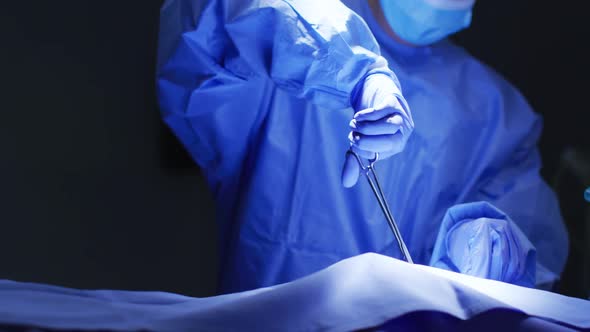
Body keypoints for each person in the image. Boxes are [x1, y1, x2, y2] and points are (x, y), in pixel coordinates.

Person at [156, 0, 568, 293]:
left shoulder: (497, 115)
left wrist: (486, 247)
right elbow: (215, 18)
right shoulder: (297, 27)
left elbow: (529, 238)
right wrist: (350, 67)